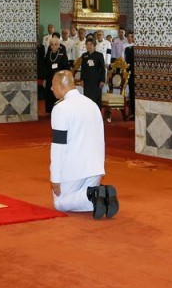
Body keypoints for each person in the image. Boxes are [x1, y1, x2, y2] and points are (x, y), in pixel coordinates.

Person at [50, 70, 119, 219]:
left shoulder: (61, 108)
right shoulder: (92, 104)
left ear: (61, 86)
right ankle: (102, 195)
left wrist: (55, 177)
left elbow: (58, 146)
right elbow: (101, 139)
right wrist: (100, 167)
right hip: (95, 168)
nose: (51, 88)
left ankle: (93, 194)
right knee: (80, 196)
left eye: (53, 85)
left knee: (59, 203)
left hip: (74, 169)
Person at [43, 35, 71, 114]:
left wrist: (65, 79)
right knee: (50, 94)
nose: (53, 46)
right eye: (51, 44)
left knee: (58, 94)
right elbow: (46, 67)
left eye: (55, 44)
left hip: (59, 79)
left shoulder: (62, 54)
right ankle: (51, 111)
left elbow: (66, 67)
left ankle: (59, 111)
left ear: (59, 45)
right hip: (50, 78)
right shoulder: (49, 54)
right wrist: (45, 79)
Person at [78, 38, 106, 109]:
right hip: (87, 81)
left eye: (90, 44)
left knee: (96, 100)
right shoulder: (84, 55)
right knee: (87, 99)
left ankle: (97, 114)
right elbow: (83, 68)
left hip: (97, 81)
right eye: (87, 44)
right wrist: (82, 80)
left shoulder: (99, 55)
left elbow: (103, 69)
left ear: (94, 45)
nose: (89, 46)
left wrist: (102, 80)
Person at [124, 32, 135, 117]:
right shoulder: (128, 49)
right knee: (132, 93)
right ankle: (133, 112)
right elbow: (127, 63)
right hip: (132, 74)